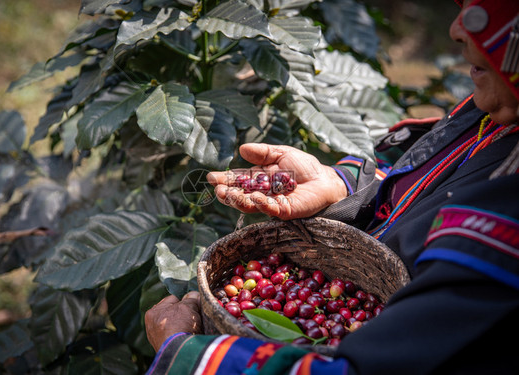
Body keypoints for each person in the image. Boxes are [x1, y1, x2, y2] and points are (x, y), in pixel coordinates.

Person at [145, 0, 519, 373]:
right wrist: (340, 186)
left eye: (487, 13)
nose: (456, 29)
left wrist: (183, 355)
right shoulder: (491, 108)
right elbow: (415, 169)